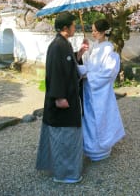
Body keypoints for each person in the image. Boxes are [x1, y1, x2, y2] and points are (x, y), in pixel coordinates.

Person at [36, 12, 86, 184]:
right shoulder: (57, 46)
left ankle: (67, 170)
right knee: (64, 136)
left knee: (68, 135)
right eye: (73, 25)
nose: (75, 27)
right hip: (62, 100)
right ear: (65, 28)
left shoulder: (63, 44)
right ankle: (64, 174)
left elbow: (68, 64)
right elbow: (55, 72)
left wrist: (79, 53)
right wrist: (59, 97)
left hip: (69, 97)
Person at [78, 19, 126, 162]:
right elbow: (88, 64)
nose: (93, 33)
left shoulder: (108, 49)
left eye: (96, 31)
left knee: (100, 117)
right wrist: (84, 52)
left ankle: (102, 147)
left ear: (104, 32)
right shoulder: (95, 47)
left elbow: (108, 73)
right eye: (92, 30)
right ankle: (91, 147)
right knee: (89, 118)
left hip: (100, 91)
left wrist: (88, 75)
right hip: (89, 90)